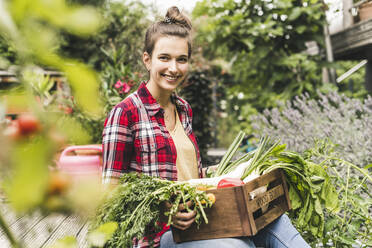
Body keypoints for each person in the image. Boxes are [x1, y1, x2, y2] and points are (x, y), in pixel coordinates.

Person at [102, 6, 310, 248]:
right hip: (159, 237)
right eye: (165, 58)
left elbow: (193, 176)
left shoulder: (183, 109)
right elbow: (109, 200)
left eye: (182, 59)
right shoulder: (125, 113)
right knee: (238, 246)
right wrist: (163, 212)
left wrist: (243, 176)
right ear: (147, 59)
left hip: (202, 220)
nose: (174, 68)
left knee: (274, 219)